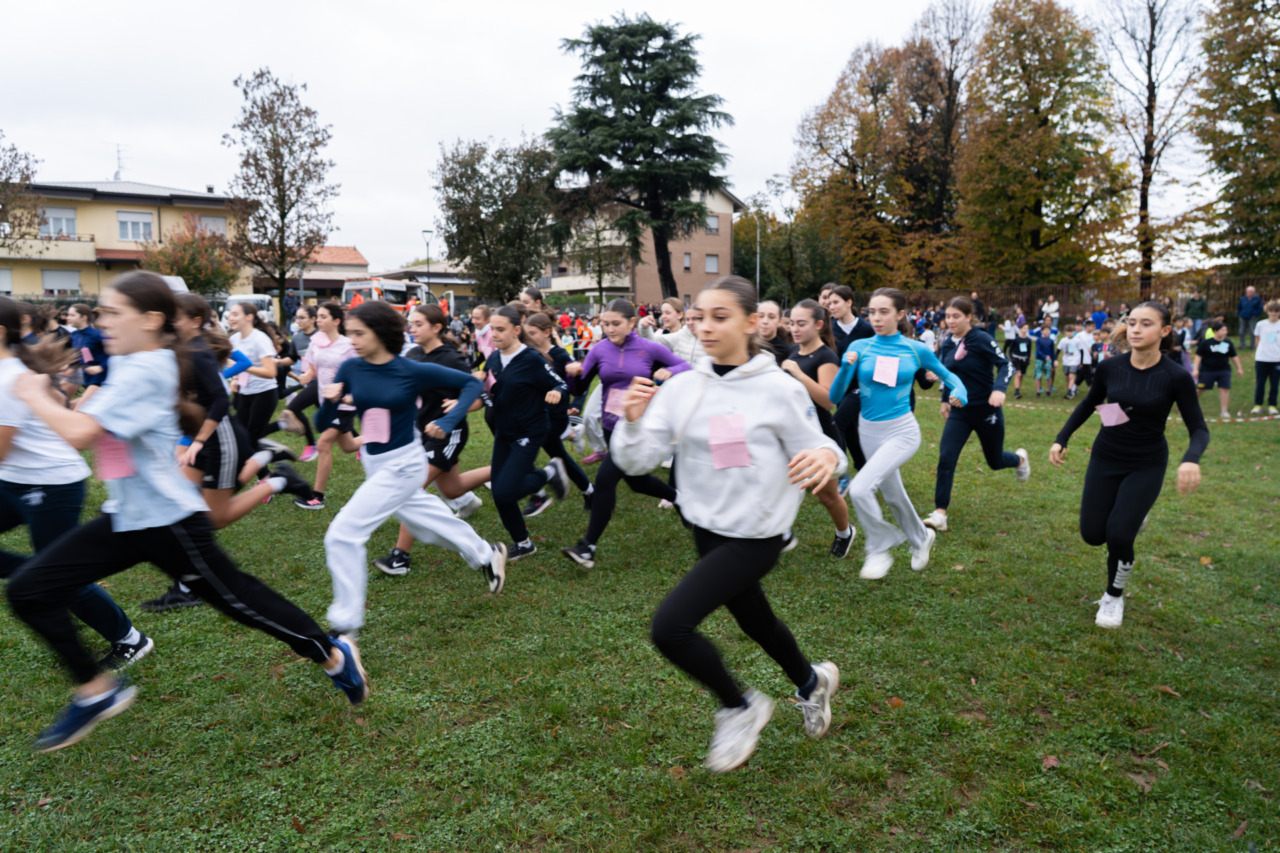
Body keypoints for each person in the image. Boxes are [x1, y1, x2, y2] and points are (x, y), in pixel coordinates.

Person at [7, 273, 367, 753]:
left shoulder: (147, 368)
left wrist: (31, 396)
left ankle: (331, 652)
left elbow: (78, 434)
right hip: (127, 516)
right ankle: (94, 691)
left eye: (113, 313)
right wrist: (55, 395)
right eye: (100, 312)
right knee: (29, 589)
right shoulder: (131, 363)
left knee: (239, 600)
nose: (101, 321)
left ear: (152, 320)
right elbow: (84, 421)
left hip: (168, 522)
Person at [612, 275, 844, 773]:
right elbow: (637, 461)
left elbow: (823, 443)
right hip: (705, 526)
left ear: (750, 322)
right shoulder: (682, 388)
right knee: (754, 619)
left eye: (720, 316)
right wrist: (632, 422)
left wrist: (827, 459)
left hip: (758, 533)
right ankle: (811, 682)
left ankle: (740, 706)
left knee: (670, 628)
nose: (705, 327)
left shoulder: (778, 389)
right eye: (699, 316)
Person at [318, 301, 507, 640]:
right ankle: (486, 554)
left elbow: (471, 385)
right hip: (375, 463)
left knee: (342, 534)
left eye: (360, 333)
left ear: (381, 333)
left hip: (404, 463)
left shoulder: (410, 369)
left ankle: (345, 629)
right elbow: (323, 423)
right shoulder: (351, 369)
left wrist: (449, 420)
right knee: (425, 518)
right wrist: (330, 400)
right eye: (350, 334)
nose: (353, 340)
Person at [0, 296, 154, 671]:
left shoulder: (8, 379)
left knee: (59, 577)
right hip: (14, 482)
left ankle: (129, 639)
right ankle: (33, 577)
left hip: (52, 486)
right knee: (45, 573)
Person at [1050, 302, 1209, 629]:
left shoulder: (1175, 376)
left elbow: (1200, 429)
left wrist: (1190, 459)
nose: (1136, 329)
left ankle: (1113, 595)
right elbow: (1089, 403)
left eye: (1146, 324)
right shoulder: (1110, 367)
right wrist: (1062, 437)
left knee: (1119, 534)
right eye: (1132, 322)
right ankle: (1133, 514)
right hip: (1106, 455)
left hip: (1146, 463)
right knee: (1093, 535)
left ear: (1164, 332)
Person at [829, 288, 969, 580]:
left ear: (900, 314)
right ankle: (921, 538)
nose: (876, 318)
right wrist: (845, 368)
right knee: (893, 494)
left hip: (902, 431)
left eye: (884, 312)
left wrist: (960, 390)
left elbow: (949, 375)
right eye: (872, 312)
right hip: (868, 431)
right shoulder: (862, 347)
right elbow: (835, 395)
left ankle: (878, 549)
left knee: (859, 488)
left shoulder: (915, 349)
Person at [561, 299, 690, 568]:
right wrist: (573, 374)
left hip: (638, 427)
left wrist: (670, 370)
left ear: (632, 322)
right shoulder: (599, 350)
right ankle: (681, 499)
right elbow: (578, 388)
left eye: (616, 323)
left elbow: (686, 368)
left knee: (606, 480)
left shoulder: (649, 347)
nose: (609, 329)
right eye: (605, 323)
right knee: (636, 480)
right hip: (611, 427)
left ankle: (588, 547)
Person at [371, 304, 490, 576]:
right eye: (410, 323)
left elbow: (478, 396)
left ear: (437, 327)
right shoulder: (412, 355)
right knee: (452, 489)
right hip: (419, 434)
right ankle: (505, 472)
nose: (412, 328)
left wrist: (459, 406)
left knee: (409, 488)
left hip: (448, 434)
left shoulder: (451, 358)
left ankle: (400, 557)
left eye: (419, 323)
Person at [922, 297, 1028, 533]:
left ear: (968, 316)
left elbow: (1005, 365)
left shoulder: (981, 338)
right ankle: (940, 513)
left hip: (986, 411)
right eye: (947, 316)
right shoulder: (948, 342)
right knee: (946, 457)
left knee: (995, 461)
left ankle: (1019, 460)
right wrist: (944, 400)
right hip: (960, 411)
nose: (950, 321)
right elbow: (949, 373)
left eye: (956, 316)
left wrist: (999, 389)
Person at [476, 305, 572, 561]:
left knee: (506, 491)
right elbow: (490, 394)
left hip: (530, 431)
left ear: (516, 330)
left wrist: (556, 393)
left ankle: (549, 472)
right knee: (499, 492)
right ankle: (524, 543)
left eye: (500, 329)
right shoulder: (494, 359)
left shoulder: (531, 358)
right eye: (492, 329)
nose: (493, 334)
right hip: (505, 432)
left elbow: (560, 383)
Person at [781, 299, 856, 557]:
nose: (795, 329)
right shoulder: (793, 353)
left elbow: (829, 400)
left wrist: (798, 374)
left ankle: (845, 533)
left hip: (821, 436)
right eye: (791, 323)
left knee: (827, 497)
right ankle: (779, 532)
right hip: (792, 432)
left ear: (819, 324)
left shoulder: (827, 356)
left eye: (801, 323)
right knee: (780, 482)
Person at [518, 312, 594, 517]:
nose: (529, 337)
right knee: (559, 457)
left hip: (555, 418)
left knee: (523, 450)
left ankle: (538, 492)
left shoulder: (560, 355)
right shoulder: (529, 354)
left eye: (532, 333)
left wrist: (575, 403)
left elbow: (578, 384)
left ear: (547, 332)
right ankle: (589, 491)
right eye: (527, 333)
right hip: (537, 414)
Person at [294, 302, 361, 510]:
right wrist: (306, 376)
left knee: (323, 445)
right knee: (348, 446)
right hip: (326, 402)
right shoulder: (316, 343)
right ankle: (379, 435)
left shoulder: (349, 346)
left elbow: (360, 374)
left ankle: (317, 497)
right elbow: (312, 369)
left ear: (337, 321)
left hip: (344, 404)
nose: (318, 320)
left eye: (323, 317)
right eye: (318, 316)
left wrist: (347, 389)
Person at [827, 285, 875, 483]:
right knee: (849, 430)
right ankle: (864, 468)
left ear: (849, 302)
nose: (831, 307)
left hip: (861, 388)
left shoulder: (866, 329)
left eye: (835, 302)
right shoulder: (829, 329)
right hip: (839, 389)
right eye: (829, 303)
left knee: (836, 424)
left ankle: (842, 473)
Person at [225, 302, 280, 443]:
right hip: (245, 392)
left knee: (250, 438)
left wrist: (243, 366)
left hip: (265, 393)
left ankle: (277, 451)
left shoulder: (259, 339)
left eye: (235, 314)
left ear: (249, 317)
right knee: (240, 436)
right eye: (230, 314)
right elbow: (234, 366)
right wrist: (235, 380)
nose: (230, 318)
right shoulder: (233, 339)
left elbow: (270, 372)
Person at [1193, 321, 1244, 419]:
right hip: (1207, 370)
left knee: (1224, 389)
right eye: (1223, 330)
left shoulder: (1228, 342)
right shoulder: (1206, 343)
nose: (1225, 332)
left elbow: (1234, 356)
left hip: (1224, 370)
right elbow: (1198, 356)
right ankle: (1187, 406)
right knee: (1199, 389)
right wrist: (1195, 369)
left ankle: (1224, 410)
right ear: (1215, 331)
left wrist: (1239, 368)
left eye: (1226, 330)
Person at [638, 297, 705, 365]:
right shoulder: (679, 335)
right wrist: (644, 327)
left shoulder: (710, 338)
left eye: (667, 313)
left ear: (680, 315)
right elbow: (652, 342)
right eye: (687, 319)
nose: (663, 316)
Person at [1251, 300, 1280, 415]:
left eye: (1276, 311)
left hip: (1276, 359)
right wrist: (1259, 352)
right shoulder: (1260, 324)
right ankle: (1258, 404)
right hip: (1262, 359)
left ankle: (1272, 405)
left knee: (1274, 383)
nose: (1273, 314)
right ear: (1267, 312)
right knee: (1260, 383)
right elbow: (1257, 340)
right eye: (1271, 311)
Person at [757, 300, 792, 365]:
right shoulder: (746, 344)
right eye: (761, 316)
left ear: (780, 322)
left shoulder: (786, 350)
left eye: (771, 317)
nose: (765, 321)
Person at [1003, 323, 1033, 398]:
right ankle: (1016, 392)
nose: (1025, 330)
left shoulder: (1028, 340)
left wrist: (1028, 359)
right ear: (1020, 329)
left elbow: (1029, 351)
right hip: (1016, 359)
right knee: (1018, 374)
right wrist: (1011, 358)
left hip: (1024, 359)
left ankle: (1018, 390)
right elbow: (1010, 350)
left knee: (1021, 375)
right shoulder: (1016, 339)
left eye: (1027, 328)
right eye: (1024, 328)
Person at [1056, 322, 1084, 399]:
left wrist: (1081, 362)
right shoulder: (1063, 340)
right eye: (1068, 331)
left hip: (1075, 360)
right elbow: (1058, 351)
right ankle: (1071, 390)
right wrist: (1055, 360)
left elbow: (1081, 351)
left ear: (1074, 332)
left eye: (1071, 331)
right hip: (1066, 361)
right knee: (1068, 376)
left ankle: (1069, 391)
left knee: (1072, 375)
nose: (1069, 333)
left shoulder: (1077, 340)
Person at [1031, 318, 1058, 396]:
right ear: (1041, 331)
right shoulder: (1039, 340)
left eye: (1048, 330)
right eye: (1045, 330)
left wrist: (1053, 363)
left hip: (1048, 360)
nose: (1047, 332)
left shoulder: (1051, 341)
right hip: (1039, 360)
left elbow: (1052, 352)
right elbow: (1038, 351)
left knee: (1048, 375)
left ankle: (1048, 391)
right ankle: (1038, 391)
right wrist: (1044, 356)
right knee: (1038, 375)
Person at [1238, 286, 1264, 350]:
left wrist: (1255, 314)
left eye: (1251, 291)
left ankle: (1252, 346)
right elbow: (1239, 307)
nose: (1249, 293)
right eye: (1248, 291)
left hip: (1252, 318)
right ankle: (1242, 345)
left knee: (1253, 332)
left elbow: (1260, 308)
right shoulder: (1243, 298)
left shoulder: (1257, 299)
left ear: (1253, 292)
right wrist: (1240, 314)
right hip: (1243, 317)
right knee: (1241, 331)